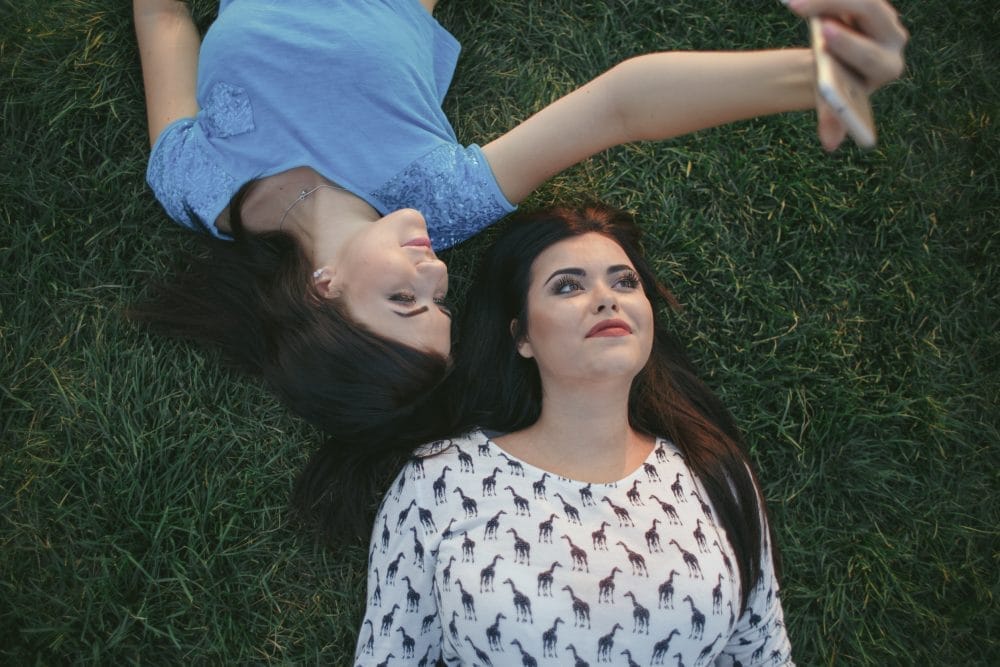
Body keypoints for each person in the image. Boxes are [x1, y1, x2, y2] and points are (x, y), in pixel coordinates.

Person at [131, 0, 908, 441]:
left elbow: (165, 22)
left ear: (324, 290)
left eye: (406, 300)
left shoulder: (198, 186)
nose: (436, 271)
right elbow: (618, 107)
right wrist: (812, 74)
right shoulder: (435, 201)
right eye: (438, 303)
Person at [355, 203, 793, 665]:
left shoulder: (718, 475)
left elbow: (763, 655)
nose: (608, 299)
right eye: (568, 286)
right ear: (521, 336)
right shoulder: (439, 481)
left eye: (625, 281)